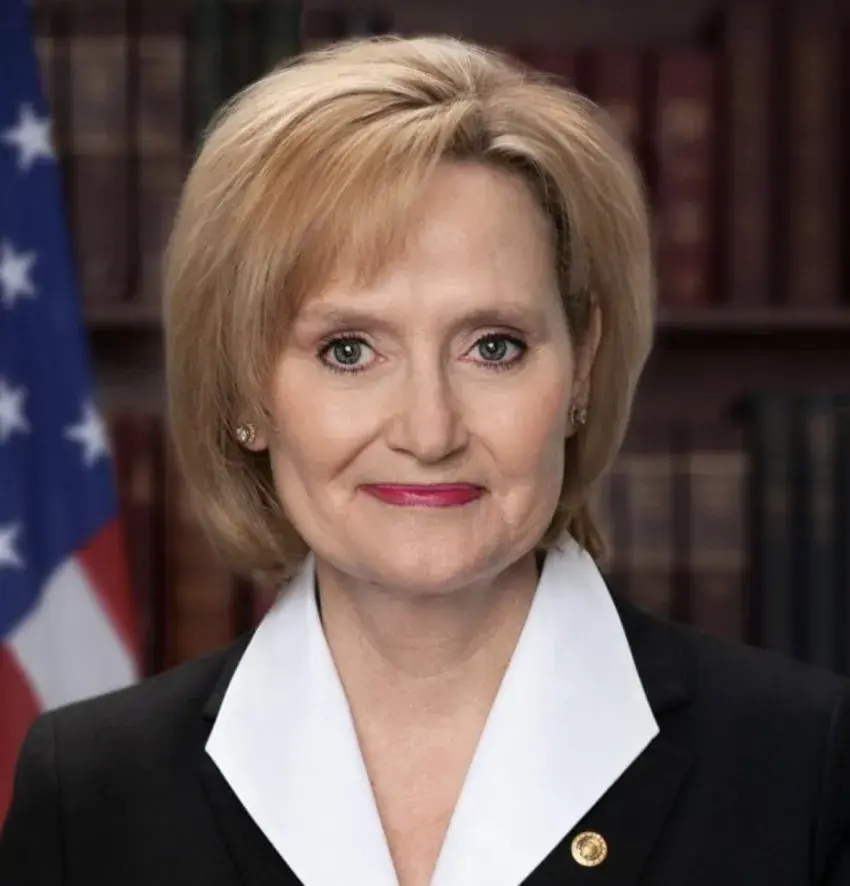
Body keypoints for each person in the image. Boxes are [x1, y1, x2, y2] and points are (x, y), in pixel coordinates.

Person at [1, 33, 848, 886]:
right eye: (348, 351)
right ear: (247, 389)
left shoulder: (806, 762)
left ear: (582, 366)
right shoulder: (92, 794)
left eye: (493, 346)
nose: (430, 429)